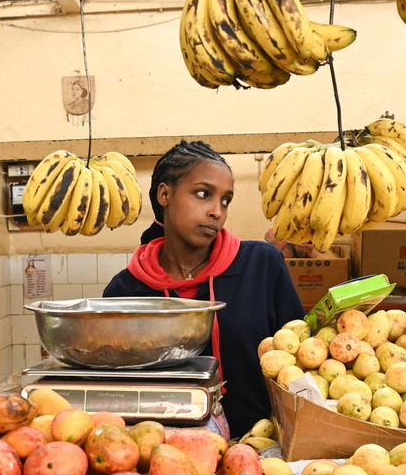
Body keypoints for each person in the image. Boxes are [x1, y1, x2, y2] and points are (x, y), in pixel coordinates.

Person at [103, 140, 305, 437]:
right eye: (203, 194)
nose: (216, 211)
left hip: (261, 446)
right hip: (163, 450)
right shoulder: (125, 291)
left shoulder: (261, 265)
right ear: (164, 194)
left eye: (226, 200)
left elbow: (300, 359)